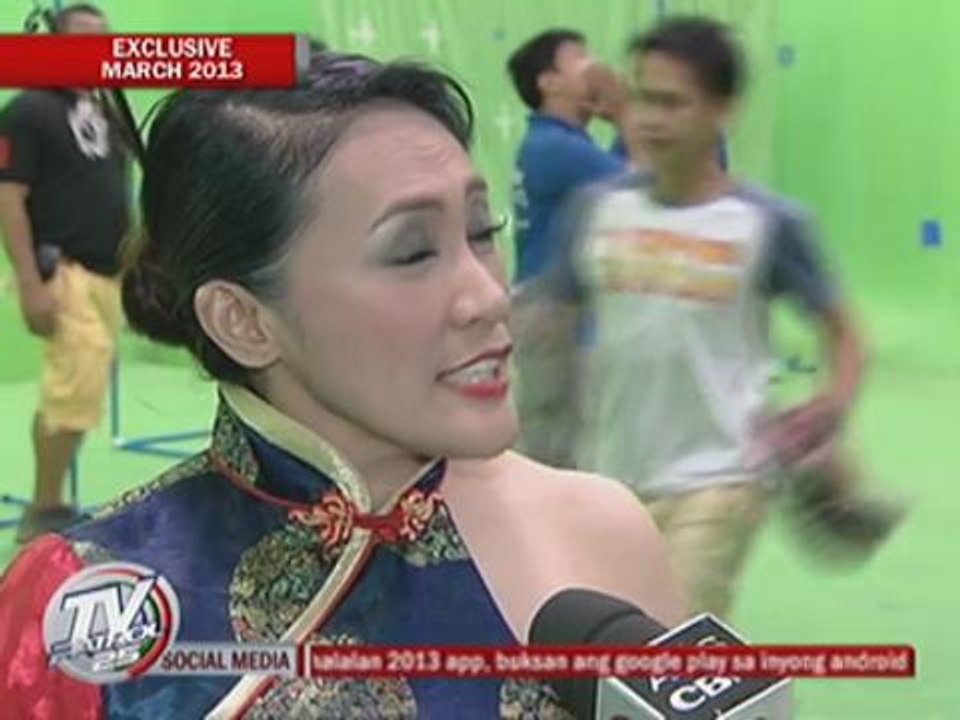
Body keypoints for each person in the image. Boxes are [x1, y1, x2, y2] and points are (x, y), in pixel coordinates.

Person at [0, 53, 685, 717]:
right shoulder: (80, 605)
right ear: (243, 320)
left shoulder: (598, 535)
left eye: (482, 231)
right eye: (412, 252)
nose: (487, 296)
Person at [530, 17, 904, 619]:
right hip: (614, 476)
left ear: (723, 109)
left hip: (722, 476)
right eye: (643, 98)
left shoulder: (767, 222)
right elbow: (552, 322)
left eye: (672, 102)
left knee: (674, 632)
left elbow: (843, 330)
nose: (651, 119)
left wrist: (829, 410)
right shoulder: (596, 210)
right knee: (619, 638)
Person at [0, 3, 130, 543]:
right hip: (63, 272)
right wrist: (31, 283)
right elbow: (8, 196)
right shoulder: (27, 111)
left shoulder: (106, 112)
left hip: (108, 274)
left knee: (82, 389)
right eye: (82, 39)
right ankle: (45, 507)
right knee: (72, 386)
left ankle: (51, 503)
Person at [506, 30, 639, 466]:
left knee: (566, 437)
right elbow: (646, 189)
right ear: (549, 83)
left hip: (549, 307)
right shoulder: (557, 149)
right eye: (580, 59)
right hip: (552, 314)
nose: (596, 67)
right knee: (553, 448)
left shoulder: (560, 145)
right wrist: (624, 112)